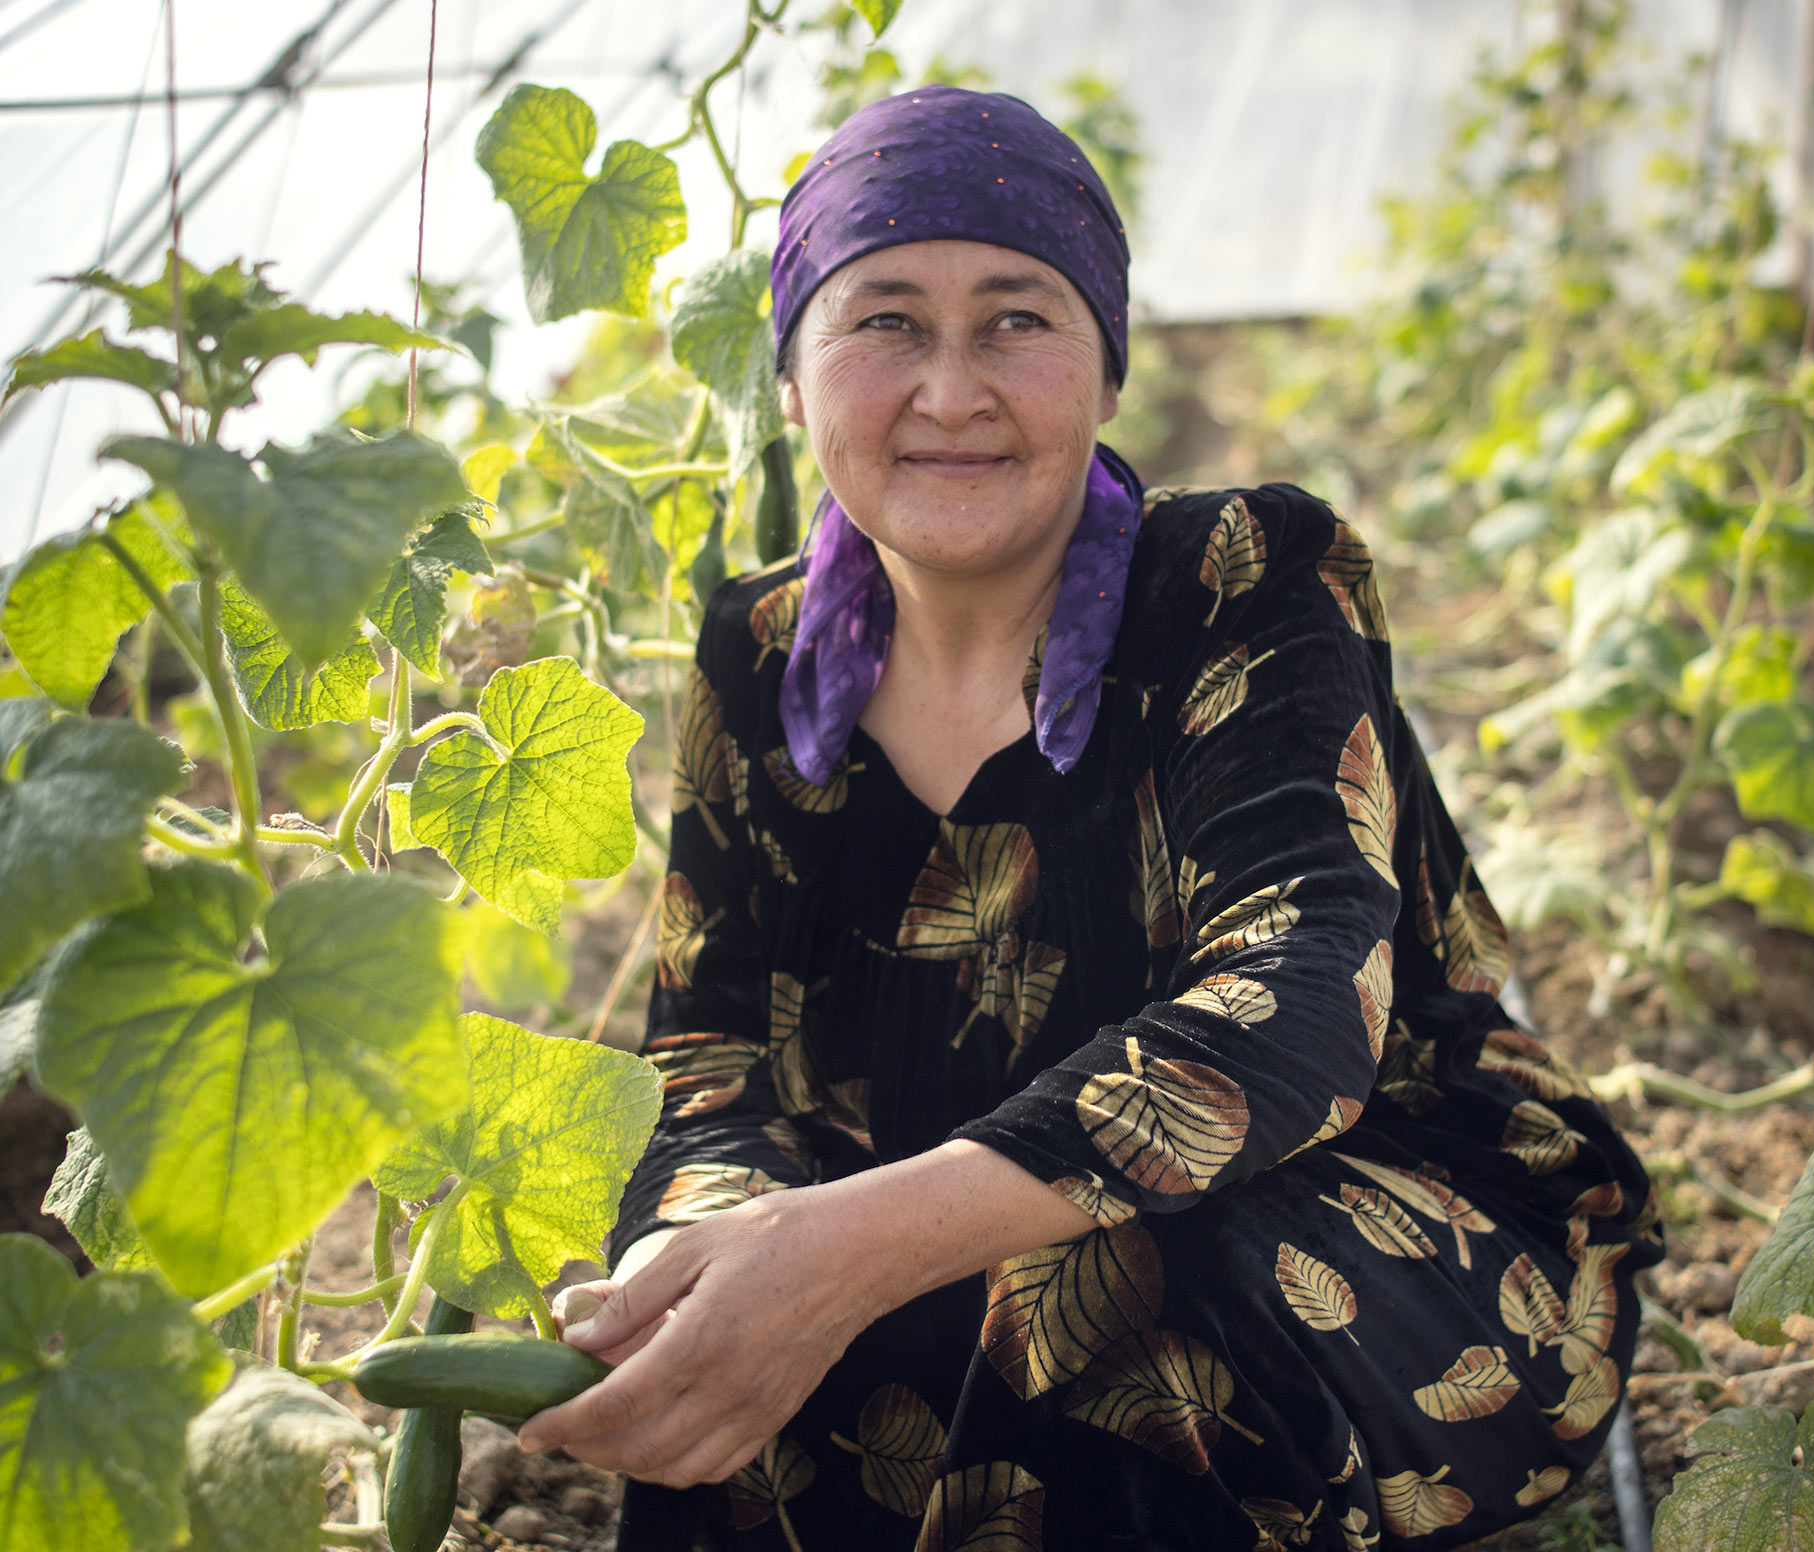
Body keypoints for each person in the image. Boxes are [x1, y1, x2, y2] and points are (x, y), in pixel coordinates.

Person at [517, 85, 1661, 1551]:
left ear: (1106, 370)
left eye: (1017, 320)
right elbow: (709, 1043)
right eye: (882, 323)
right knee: (743, 1373)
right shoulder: (756, 653)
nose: (951, 390)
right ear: (792, 383)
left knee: (1111, 1305)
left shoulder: (1241, 575)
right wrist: (714, 1248)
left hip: (1362, 1228)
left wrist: (837, 1249)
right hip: (946, 1237)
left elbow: (1297, 1008)